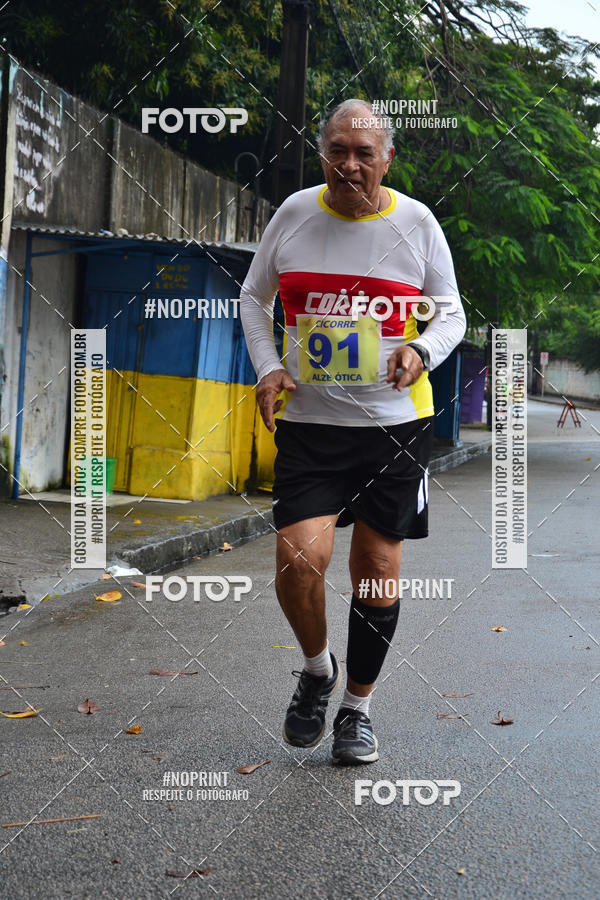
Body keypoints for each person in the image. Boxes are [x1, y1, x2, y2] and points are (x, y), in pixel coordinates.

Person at [240, 98, 466, 764]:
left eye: (364, 153)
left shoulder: (417, 224)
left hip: (394, 426)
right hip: (311, 425)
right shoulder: (295, 214)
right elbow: (253, 299)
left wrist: (420, 351)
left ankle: (357, 710)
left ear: (386, 158)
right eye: (338, 150)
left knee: (377, 569)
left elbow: (450, 315)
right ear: (323, 154)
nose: (349, 164)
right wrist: (270, 366)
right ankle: (316, 671)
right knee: (299, 558)